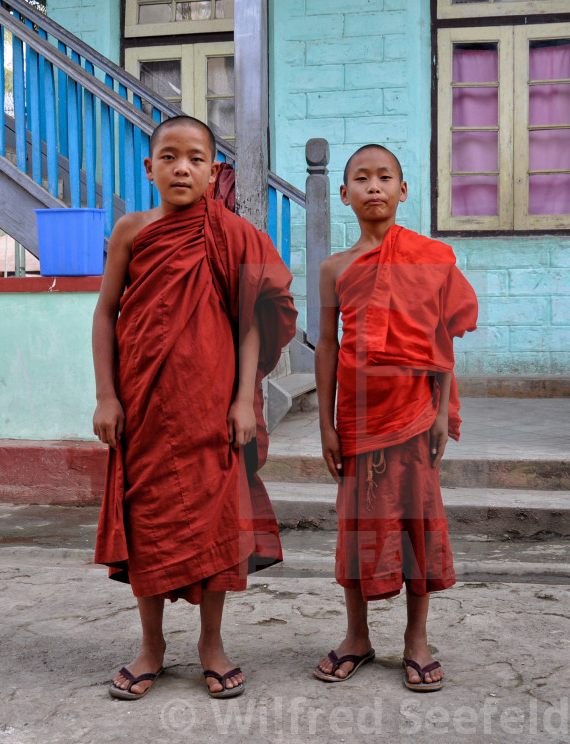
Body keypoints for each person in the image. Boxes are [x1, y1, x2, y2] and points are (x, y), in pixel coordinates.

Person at [92, 115, 296, 701]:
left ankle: (212, 643)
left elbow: (253, 319)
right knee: (147, 520)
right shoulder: (133, 231)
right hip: (144, 404)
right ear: (150, 166)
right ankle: (150, 645)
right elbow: (106, 313)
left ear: (213, 170)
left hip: (211, 405)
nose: (182, 167)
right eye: (170, 157)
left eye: (196, 158)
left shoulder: (233, 233)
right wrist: (107, 395)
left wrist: (241, 401)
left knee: (215, 524)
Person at [312, 144, 478, 692]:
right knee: (356, 528)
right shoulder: (335, 268)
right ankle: (357, 635)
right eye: (362, 178)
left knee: (417, 526)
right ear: (345, 194)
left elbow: (443, 335)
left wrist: (439, 409)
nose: (374, 186)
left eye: (386, 177)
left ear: (404, 191)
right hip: (358, 418)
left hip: (412, 413)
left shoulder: (429, 257)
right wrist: (325, 423)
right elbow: (327, 348)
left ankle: (416, 638)